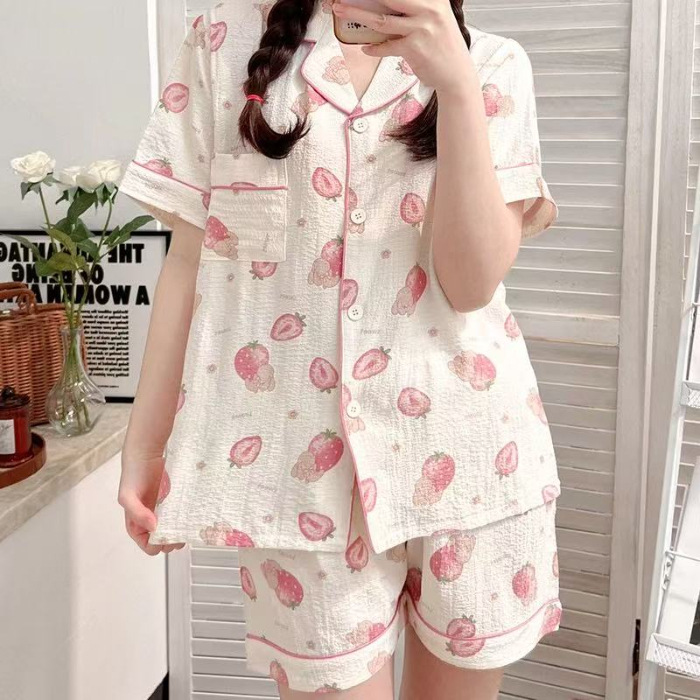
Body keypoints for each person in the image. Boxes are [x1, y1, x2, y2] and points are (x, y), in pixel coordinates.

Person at [117, 1, 562, 697]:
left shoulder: (492, 64)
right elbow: (189, 261)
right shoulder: (223, 42)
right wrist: (146, 447)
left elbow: (470, 283)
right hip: (294, 475)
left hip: (473, 462)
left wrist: (455, 84)